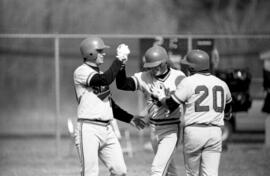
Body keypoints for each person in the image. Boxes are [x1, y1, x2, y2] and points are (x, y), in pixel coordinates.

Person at [150, 49, 232, 176]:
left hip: (195, 131)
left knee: (192, 173)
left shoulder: (188, 82)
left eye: (188, 65)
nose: (186, 68)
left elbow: (171, 105)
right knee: (210, 173)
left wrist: (160, 96)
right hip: (216, 132)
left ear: (193, 68)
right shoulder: (222, 84)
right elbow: (228, 113)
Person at [73, 37, 145, 176]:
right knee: (90, 173)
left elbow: (110, 105)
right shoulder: (81, 71)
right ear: (90, 53)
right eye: (100, 51)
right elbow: (105, 79)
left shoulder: (100, 74)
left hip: (107, 130)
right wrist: (119, 59)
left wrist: (130, 118)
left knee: (120, 171)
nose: (103, 54)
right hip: (88, 129)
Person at [116, 45, 186, 176]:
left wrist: (161, 97)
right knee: (169, 171)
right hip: (154, 130)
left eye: (157, 65)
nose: (154, 69)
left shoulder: (178, 77)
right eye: (151, 66)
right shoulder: (144, 76)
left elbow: (174, 105)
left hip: (171, 129)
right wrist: (121, 63)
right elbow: (122, 84)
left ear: (165, 61)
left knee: (157, 170)